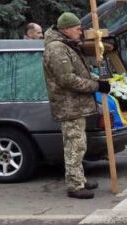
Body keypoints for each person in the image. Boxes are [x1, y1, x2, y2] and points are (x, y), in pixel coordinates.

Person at [42, 12, 109, 198]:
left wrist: (98, 80)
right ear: (66, 29)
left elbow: (80, 73)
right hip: (69, 106)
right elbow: (67, 79)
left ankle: (79, 177)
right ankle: (75, 184)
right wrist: (96, 86)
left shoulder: (66, 46)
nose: (80, 32)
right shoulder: (56, 49)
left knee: (79, 144)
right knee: (74, 146)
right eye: (77, 28)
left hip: (76, 105)